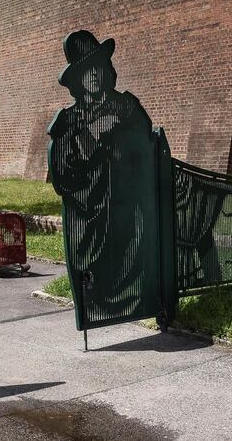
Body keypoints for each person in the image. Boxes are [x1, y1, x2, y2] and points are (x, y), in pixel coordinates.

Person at [48, 30, 159, 330]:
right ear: (78, 79)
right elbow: (62, 177)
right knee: (95, 277)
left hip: (127, 215)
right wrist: (92, 134)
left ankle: (146, 305)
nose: (93, 75)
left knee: (132, 265)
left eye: (97, 67)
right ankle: (94, 314)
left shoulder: (127, 107)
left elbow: (148, 152)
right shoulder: (68, 122)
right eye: (86, 70)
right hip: (89, 220)